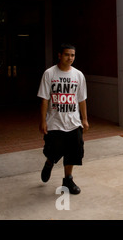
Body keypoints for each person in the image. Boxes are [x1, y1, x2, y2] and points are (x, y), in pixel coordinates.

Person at [37, 43, 89, 194]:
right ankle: (49, 162)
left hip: (73, 122)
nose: (70, 58)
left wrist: (84, 119)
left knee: (73, 152)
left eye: (72, 55)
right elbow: (44, 99)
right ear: (59, 55)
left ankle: (68, 180)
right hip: (54, 122)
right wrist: (43, 120)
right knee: (53, 149)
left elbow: (82, 99)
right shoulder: (49, 74)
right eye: (67, 54)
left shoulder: (78, 75)